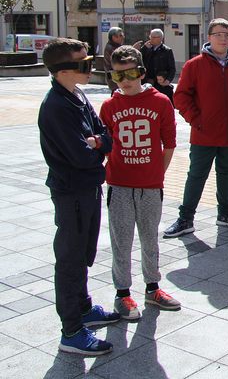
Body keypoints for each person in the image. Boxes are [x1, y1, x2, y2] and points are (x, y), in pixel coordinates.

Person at [39, 38, 119, 355]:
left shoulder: (77, 95)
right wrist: (97, 147)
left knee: (84, 252)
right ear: (63, 70)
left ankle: (84, 308)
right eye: (84, 64)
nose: (90, 68)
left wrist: (97, 143)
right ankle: (71, 330)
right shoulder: (56, 107)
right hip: (71, 191)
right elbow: (80, 156)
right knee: (71, 259)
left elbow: (106, 138)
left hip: (87, 188)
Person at [100, 45, 181, 320]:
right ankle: (122, 294)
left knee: (150, 239)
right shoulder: (110, 105)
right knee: (121, 241)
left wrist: (158, 174)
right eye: (118, 75)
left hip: (150, 186)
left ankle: (152, 288)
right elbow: (105, 143)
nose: (126, 80)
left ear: (142, 72)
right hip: (119, 185)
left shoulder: (160, 102)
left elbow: (169, 144)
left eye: (131, 73)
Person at [164, 18, 228, 238]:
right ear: (209, 37)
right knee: (197, 175)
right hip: (204, 133)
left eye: (227, 34)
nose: (223, 38)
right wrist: (196, 119)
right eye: (219, 34)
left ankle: (226, 213)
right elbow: (181, 96)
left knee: (227, 173)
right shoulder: (195, 64)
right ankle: (185, 218)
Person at [141, 28, 176, 106]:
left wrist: (168, 80)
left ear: (160, 38)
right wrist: (144, 49)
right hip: (148, 82)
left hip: (160, 83)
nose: (151, 39)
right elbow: (140, 60)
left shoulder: (167, 51)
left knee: (160, 104)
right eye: (151, 37)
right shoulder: (146, 49)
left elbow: (172, 68)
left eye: (153, 37)